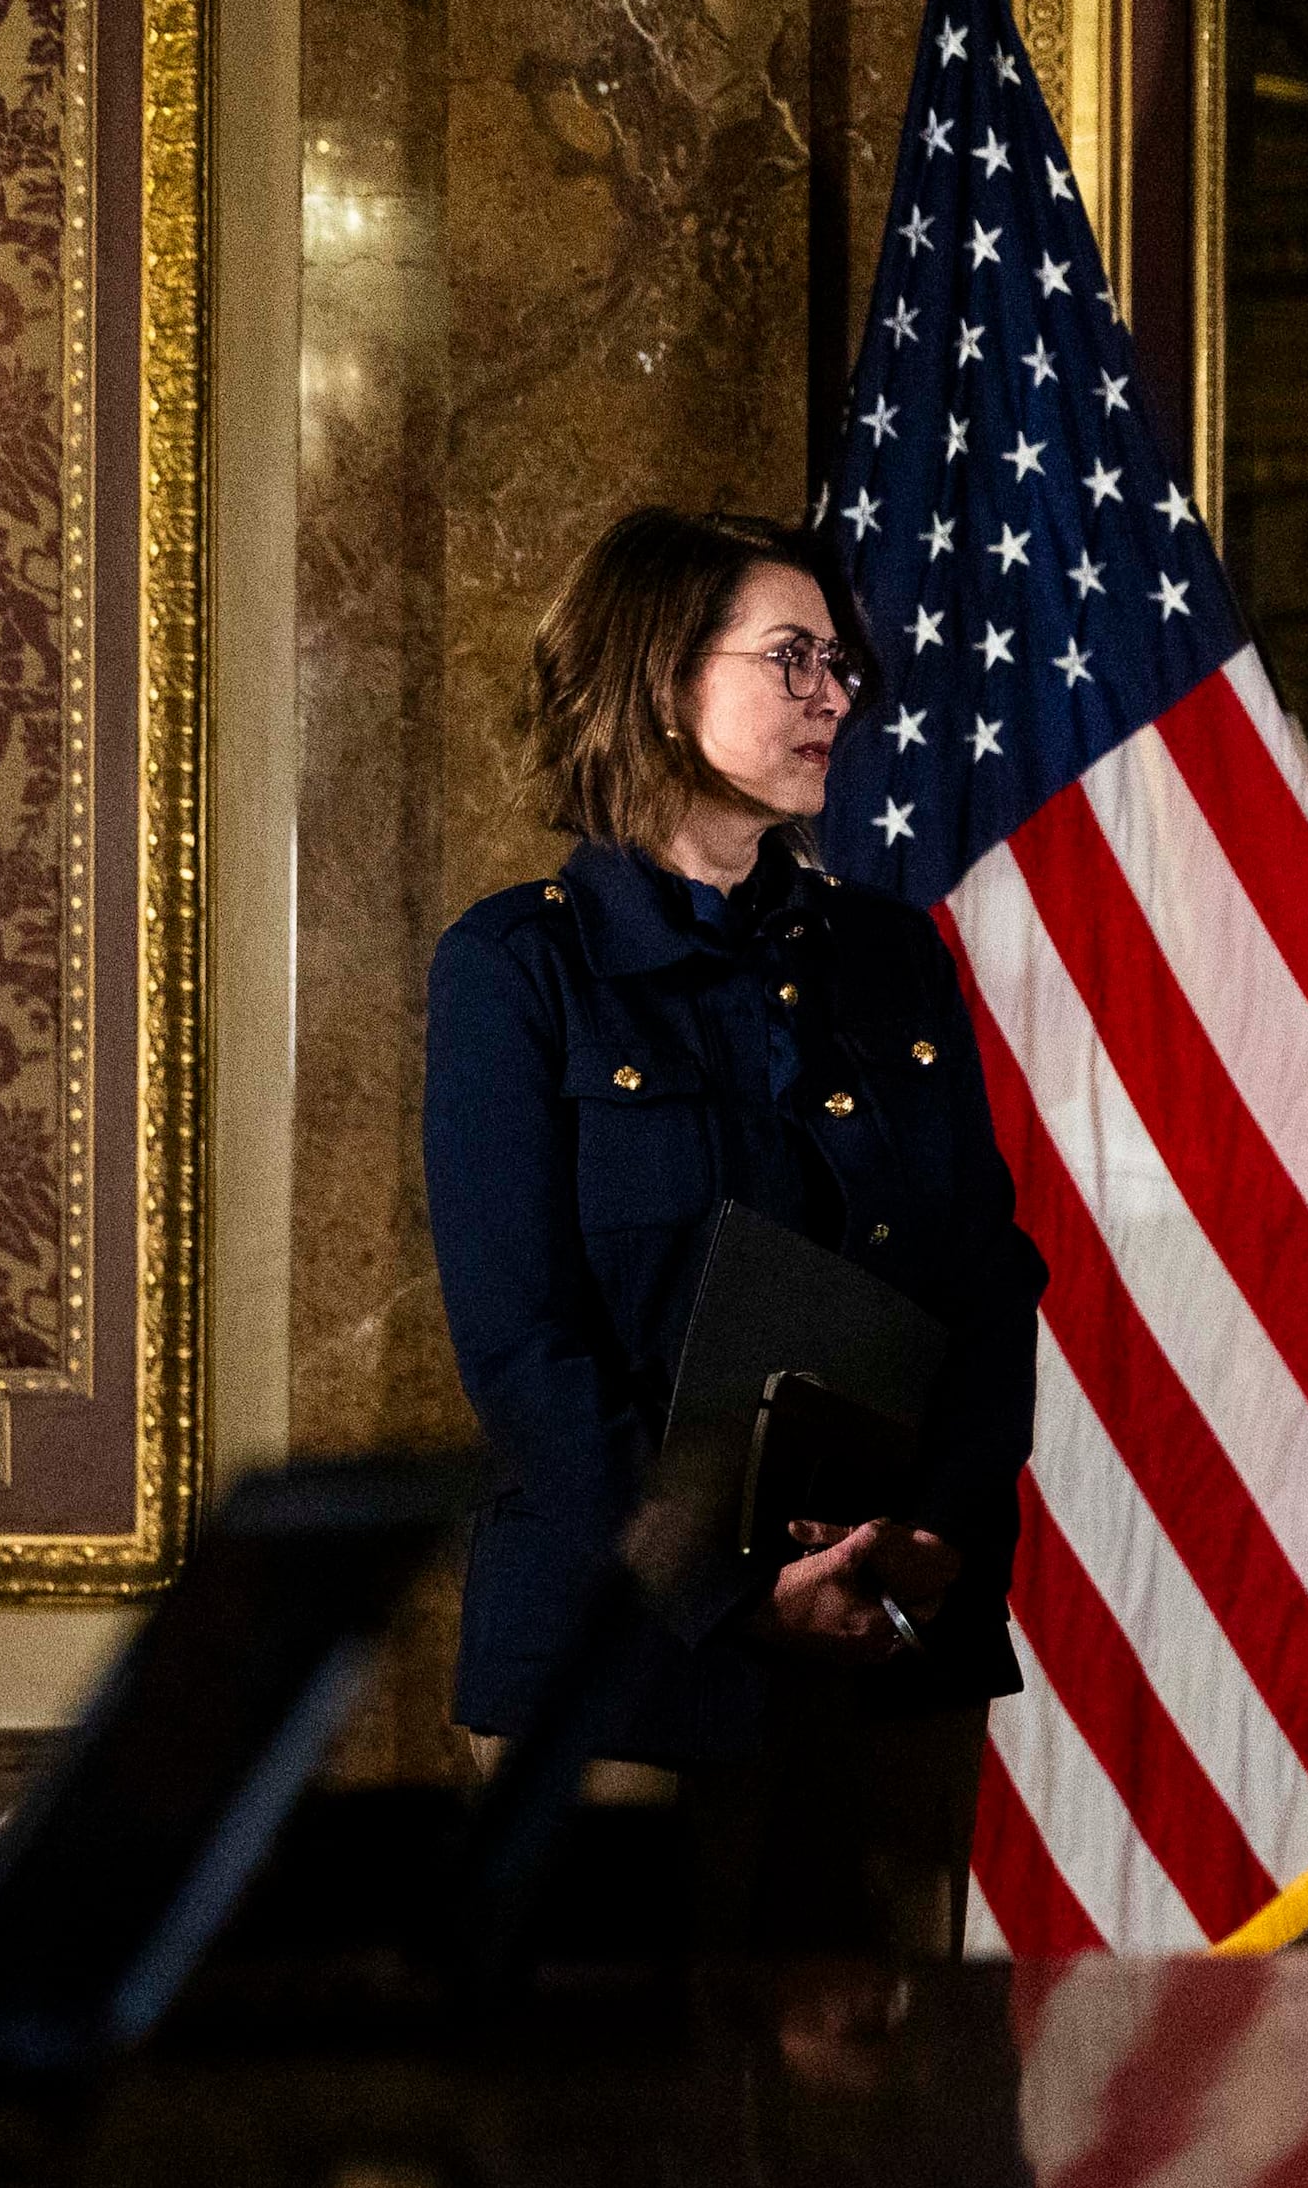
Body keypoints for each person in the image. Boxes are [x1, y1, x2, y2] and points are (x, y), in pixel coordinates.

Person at [424, 507, 1046, 1956]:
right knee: (616, 2152)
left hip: (882, 1647)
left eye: (840, 663)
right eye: (794, 659)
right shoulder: (517, 969)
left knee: (882, 2151)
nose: (839, 695)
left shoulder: (889, 961)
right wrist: (742, 1587)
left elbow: (985, 1281)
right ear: (657, 680)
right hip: (616, 1662)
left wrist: (934, 1539)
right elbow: (524, 1352)